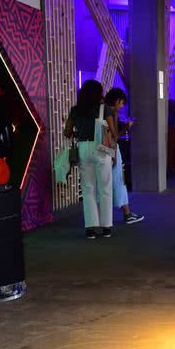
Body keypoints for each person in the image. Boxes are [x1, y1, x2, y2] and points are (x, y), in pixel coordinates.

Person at [64, 80, 113, 239]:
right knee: (105, 188)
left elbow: (67, 132)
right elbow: (112, 132)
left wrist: (80, 132)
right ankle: (106, 228)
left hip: (84, 148)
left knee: (87, 189)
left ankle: (90, 228)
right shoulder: (104, 109)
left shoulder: (76, 110)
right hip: (101, 149)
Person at [103, 88, 144, 225]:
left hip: (100, 149)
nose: (121, 106)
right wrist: (127, 127)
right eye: (121, 103)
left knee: (108, 182)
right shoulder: (110, 112)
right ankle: (127, 214)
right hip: (111, 149)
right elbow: (115, 136)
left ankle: (115, 214)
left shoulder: (101, 109)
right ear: (116, 101)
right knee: (118, 181)